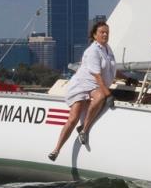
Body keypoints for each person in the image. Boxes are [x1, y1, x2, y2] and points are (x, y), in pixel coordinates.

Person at [48, 21, 124, 161]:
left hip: (94, 86)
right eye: (102, 32)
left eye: (107, 32)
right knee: (74, 117)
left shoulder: (108, 49)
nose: (105, 34)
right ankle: (56, 149)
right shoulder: (93, 51)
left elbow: (112, 70)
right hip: (81, 85)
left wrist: (127, 78)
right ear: (95, 35)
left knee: (100, 96)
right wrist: (108, 94)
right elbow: (97, 75)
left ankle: (83, 130)